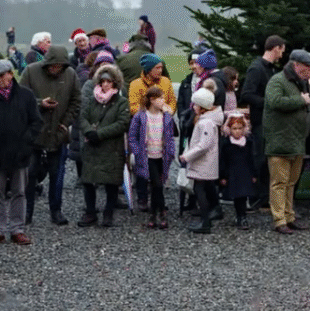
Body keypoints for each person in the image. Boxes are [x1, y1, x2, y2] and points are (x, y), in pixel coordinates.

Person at [20, 45, 81, 226]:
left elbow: (77, 101)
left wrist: (66, 122)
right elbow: (21, 98)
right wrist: (40, 104)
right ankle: (27, 211)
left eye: (61, 66)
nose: (57, 69)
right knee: (30, 174)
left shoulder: (71, 75)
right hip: (33, 134)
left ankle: (56, 210)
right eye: (54, 66)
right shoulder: (30, 72)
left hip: (58, 133)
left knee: (57, 174)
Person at [263, 49, 310, 235]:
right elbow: (274, 101)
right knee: (279, 182)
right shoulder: (277, 81)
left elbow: (308, 103)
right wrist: (300, 100)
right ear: (296, 65)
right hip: (280, 141)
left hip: (298, 141)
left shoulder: (302, 82)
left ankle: (289, 217)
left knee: (291, 182)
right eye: (307, 68)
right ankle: (279, 220)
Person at [78, 63, 131, 228]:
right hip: (92, 148)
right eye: (103, 81)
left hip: (111, 148)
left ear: (115, 83)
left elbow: (122, 123)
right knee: (88, 181)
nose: (105, 84)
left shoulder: (121, 102)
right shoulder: (91, 100)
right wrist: (88, 132)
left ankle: (108, 213)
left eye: (109, 81)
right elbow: (82, 117)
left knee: (111, 183)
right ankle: (91, 212)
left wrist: (99, 134)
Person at [0, 59, 42, 245]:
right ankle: (0, 229)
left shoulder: (26, 95)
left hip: (21, 151)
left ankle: (17, 229)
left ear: (11, 74)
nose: (2, 79)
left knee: (19, 191)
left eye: (3, 75)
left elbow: (36, 122)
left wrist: (26, 142)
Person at [128, 84, 176, 229]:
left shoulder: (166, 117)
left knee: (158, 185)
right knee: (157, 184)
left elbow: (171, 137)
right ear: (152, 99)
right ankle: (160, 212)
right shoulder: (140, 116)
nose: (163, 101)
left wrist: (171, 152)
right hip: (148, 155)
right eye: (160, 98)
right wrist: (137, 152)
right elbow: (132, 136)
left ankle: (154, 213)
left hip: (162, 156)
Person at [180, 87, 225, 234]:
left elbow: (203, 145)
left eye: (196, 104)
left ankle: (205, 222)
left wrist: (187, 156)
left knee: (199, 192)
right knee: (202, 190)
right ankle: (206, 220)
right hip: (204, 163)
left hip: (203, 164)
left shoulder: (205, 123)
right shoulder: (208, 121)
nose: (193, 107)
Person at [219, 112, 257, 230]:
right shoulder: (226, 144)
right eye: (234, 128)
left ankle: (242, 216)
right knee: (237, 196)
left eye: (240, 128)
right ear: (229, 129)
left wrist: (254, 174)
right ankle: (240, 216)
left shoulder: (248, 142)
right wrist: (223, 176)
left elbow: (252, 159)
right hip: (233, 173)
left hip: (245, 172)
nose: (237, 131)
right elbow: (223, 161)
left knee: (243, 196)